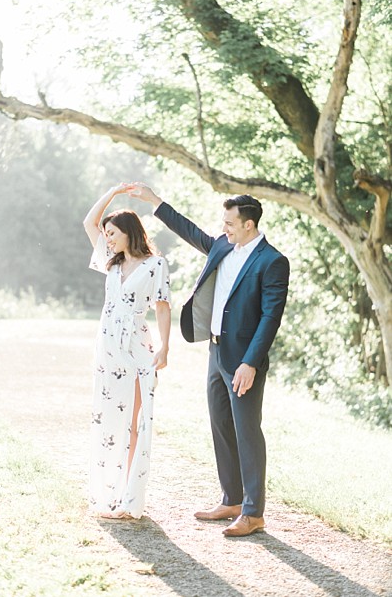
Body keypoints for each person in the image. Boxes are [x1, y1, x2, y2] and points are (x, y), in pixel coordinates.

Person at [129, 183, 289, 537]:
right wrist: (156, 201)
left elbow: (270, 318)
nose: (224, 227)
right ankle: (231, 499)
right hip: (215, 352)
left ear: (249, 224)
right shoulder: (221, 245)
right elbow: (190, 231)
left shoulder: (273, 262)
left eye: (230, 222)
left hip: (244, 360)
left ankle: (253, 512)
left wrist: (250, 363)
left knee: (247, 431)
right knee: (220, 425)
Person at [82, 183, 171, 519]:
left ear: (129, 232)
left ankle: (128, 496)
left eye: (113, 233)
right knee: (107, 417)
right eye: (106, 234)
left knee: (134, 421)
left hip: (136, 344)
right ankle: (107, 492)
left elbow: (163, 307)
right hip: (106, 346)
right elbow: (89, 223)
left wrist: (165, 346)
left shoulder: (155, 265)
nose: (107, 238)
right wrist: (114, 192)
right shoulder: (111, 263)